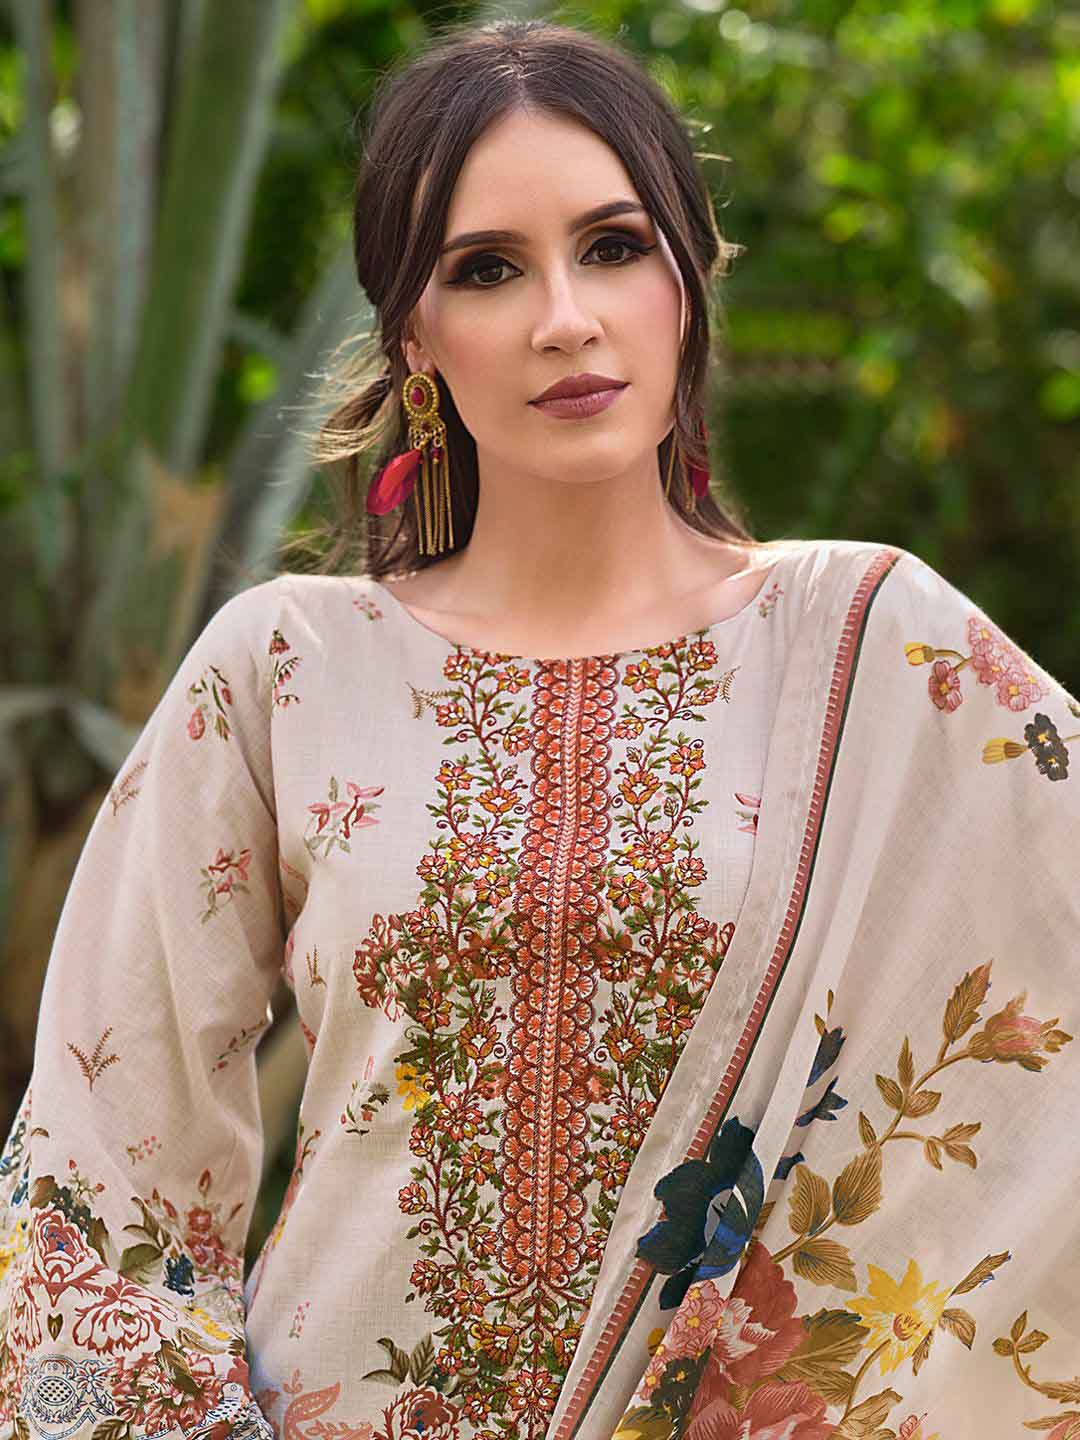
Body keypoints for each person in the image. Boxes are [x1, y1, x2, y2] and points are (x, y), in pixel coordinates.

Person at [1, 17, 1077, 1440]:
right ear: (415, 337)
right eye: (487, 269)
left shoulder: (878, 646)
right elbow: (93, 1185)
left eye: (614, 246)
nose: (564, 316)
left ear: (690, 279)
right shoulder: (284, 671)